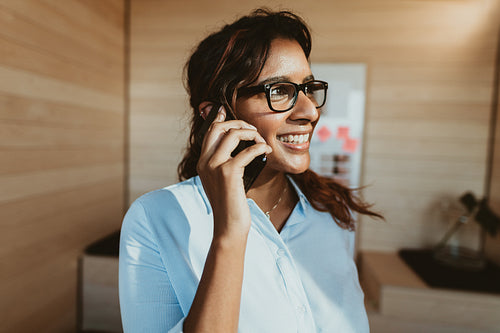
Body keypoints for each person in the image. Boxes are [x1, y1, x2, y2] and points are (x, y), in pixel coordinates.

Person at [119, 8, 382, 333]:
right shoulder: (155, 218)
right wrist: (229, 236)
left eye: (307, 87)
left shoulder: (331, 210)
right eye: (280, 91)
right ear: (216, 113)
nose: (310, 111)